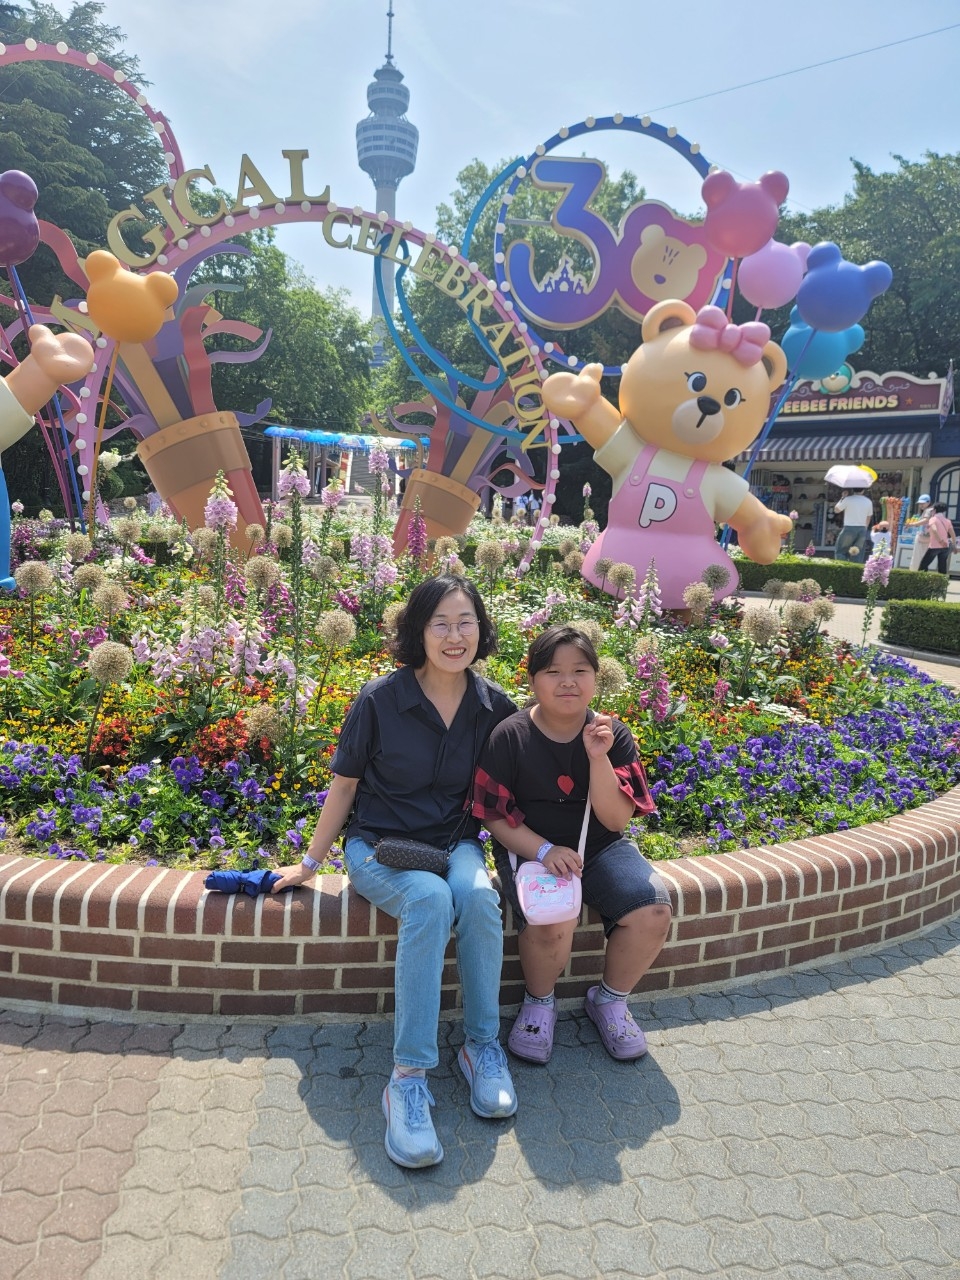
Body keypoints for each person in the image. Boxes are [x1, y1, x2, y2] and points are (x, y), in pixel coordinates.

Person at [272, 574, 518, 1169]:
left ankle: (481, 1048)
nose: (455, 636)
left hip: (454, 843)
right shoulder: (380, 699)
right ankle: (407, 1079)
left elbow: (519, 784)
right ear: (418, 631)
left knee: (478, 898)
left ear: (481, 630)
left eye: (466, 622)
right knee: (429, 900)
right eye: (441, 624)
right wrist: (309, 863)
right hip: (379, 847)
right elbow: (344, 786)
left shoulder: (494, 707)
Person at [472, 625, 673, 1066]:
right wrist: (545, 851)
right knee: (552, 920)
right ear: (532, 680)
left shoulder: (613, 734)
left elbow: (615, 820)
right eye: (553, 672)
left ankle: (610, 1001)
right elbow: (491, 814)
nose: (568, 682)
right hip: (529, 849)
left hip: (599, 847)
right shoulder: (510, 736)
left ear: (595, 678)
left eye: (580, 670)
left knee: (653, 911)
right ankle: (539, 1002)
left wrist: (597, 756)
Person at [833, 488, 875, 564]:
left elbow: (836, 510)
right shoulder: (868, 501)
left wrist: (843, 497)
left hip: (849, 528)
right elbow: (868, 517)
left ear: (853, 490)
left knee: (841, 551)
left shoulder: (848, 499)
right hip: (862, 528)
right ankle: (855, 570)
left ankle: (841, 568)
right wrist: (865, 528)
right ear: (863, 490)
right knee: (857, 553)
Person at [919, 502, 958, 574]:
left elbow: (934, 530)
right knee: (942, 566)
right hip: (945, 546)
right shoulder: (947, 521)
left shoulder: (933, 519)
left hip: (934, 546)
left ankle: (923, 580)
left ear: (934, 510)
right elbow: (953, 534)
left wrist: (940, 541)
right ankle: (942, 580)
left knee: (923, 565)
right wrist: (954, 545)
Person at [909, 494, 935, 570]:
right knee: (923, 556)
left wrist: (913, 524)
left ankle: (915, 571)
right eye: (920, 504)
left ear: (928, 502)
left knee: (917, 556)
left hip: (923, 536)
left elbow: (926, 520)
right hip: (928, 536)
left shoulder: (928, 510)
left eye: (923, 503)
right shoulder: (932, 510)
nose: (921, 505)